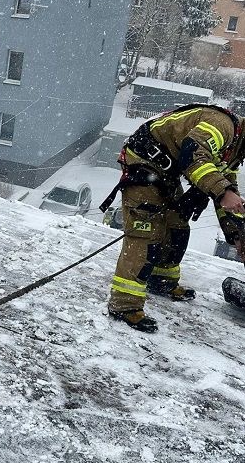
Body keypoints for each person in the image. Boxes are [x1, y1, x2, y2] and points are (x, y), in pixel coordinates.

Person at [104, 103, 245, 332]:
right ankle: (124, 305)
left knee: (177, 226)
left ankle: (161, 280)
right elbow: (192, 153)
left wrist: (236, 233)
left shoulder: (236, 147)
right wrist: (222, 192)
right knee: (146, 234)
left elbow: (228, 192)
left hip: (166, 170)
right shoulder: (223, 126)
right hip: (143, 161)